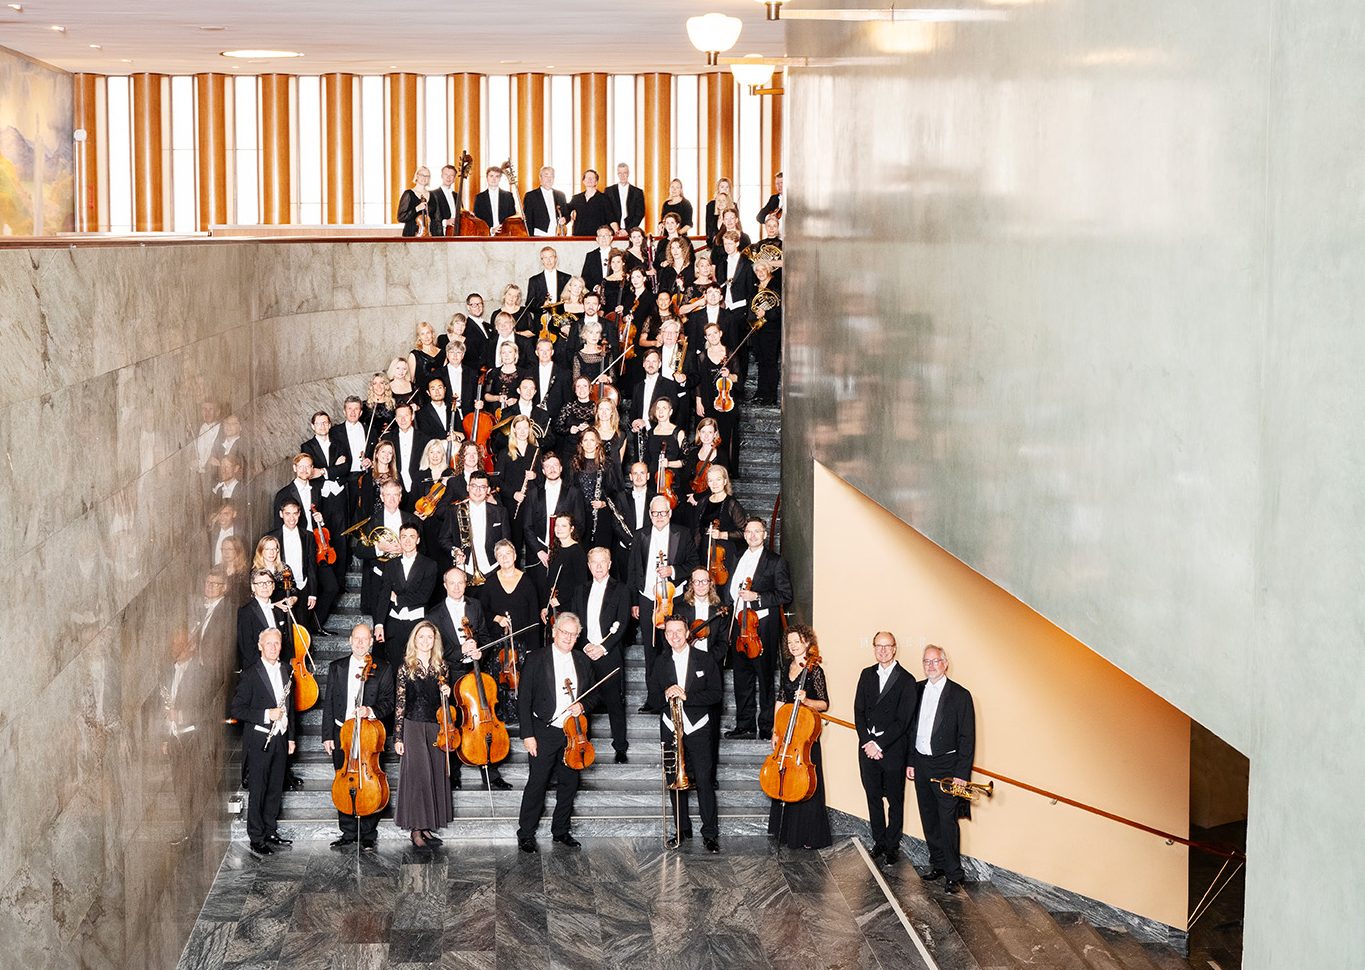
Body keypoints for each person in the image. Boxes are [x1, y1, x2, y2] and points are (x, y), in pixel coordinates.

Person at [424, 567, 514, 791]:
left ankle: (490, 772)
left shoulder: (475, 606)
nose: (456, 587)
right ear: (445, 585)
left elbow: (483, 634)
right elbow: (435, 648)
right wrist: (460, 650)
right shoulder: (434, 614)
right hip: (451, 673)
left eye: (461, 583)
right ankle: (453, 774)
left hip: (475, 673)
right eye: (452, 583)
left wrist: (480, 650)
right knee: (453, 723)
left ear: (466, 584)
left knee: (483, 718)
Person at [515, 612, 596, 852]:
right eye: (564, 632)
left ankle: (561, 830)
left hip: (573, 733)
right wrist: (527, 735)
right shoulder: (536, 658)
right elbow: (524, 699)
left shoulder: (582, 660)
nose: (568, 638)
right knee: (537, 783)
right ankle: (526, 833)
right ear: (554, 632)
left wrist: (583, 705)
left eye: (573, 634)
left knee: (569, 784)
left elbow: (594, 695)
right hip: (544, 730)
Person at [651, 615, 723, 852]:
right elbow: (651, 699)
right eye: (669, 632)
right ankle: (682, 830)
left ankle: (710, 833)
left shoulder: (705, 659)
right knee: (675, 781)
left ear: (687, 633)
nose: (674, 636)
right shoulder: (659, 662)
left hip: (698, 728)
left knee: (703, 780)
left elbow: (716, 694)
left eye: (678, 631)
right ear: (665, 635)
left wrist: (687, 696)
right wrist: (664, 694)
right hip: (671, 727)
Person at [908, 644, 977, 893]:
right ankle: (937, 864)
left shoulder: (960, 695)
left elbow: (967, 739)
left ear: (945, 663)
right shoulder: (916, 689)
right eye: (926, 661)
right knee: (929, 816)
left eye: (935, 661)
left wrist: (961, 775)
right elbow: (911, 729)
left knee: (947, 820)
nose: (930, 666)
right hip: (921, 763)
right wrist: (911, 762)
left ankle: (953, 872)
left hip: (948, 766)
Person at [322, 623, 395, 850]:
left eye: (365, 639)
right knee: (343, 781)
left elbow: (389, 702)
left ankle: (368, 834)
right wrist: (327, 736)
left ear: (372, 642)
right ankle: (347, 832)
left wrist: (369, 711)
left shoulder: (382, 668)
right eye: (356, 638)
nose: (360, 643)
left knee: (369, 782)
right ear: (350, 640)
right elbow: (330, 703)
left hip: (368, 736)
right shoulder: (337, 667)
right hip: (341, 733)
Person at [628, 495, 700, 710]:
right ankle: (654, 699)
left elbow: (693, 564)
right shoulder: (640, 535)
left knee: (672, 649)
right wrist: (635, 601)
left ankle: (676, 695)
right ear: (650, 514)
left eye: (663, 512)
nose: (659, 516)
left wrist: (673, 570)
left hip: (673, 599)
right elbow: (633, 570)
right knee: (651, 652)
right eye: (655, 513)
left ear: (670, 513)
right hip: (648, 598)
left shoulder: (683, 533)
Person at [725, 518, 792, 740]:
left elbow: (785, 594)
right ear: (744, 535)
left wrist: (758, 597)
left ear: (764, 535)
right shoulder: (737, 557)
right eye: (748, 531)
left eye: (757, 531)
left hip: (761, 628)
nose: (752, 535)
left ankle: (766, 727)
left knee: (764, 678)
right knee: (741, 677)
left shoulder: (775, 561)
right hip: (738, 625)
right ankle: (744, 725)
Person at [231, 627, 296, 855]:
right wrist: (266, 714)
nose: (273, 648)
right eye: (268, 644)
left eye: (277, 643)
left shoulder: (286, 670)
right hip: (259, 740)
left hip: (280, 738)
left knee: (275, 788)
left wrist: (291, 738)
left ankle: (270, 830)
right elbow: (237, 709)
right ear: (260, 646)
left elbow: (291, 708)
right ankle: (256, 837)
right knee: (258, 789)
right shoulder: (250, 674)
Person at [767, 624, 832, 849]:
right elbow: (781, 698)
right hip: (787, 733)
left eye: (797, 641)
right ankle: (784, 831)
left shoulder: (815, 670)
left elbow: (824, 704)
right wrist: (776, 731)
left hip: (805, 736)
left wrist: (806, 700)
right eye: (790, 642)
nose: (793, 646)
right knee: (783, 776)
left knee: (806, 782)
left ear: (807, 642)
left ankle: (808, 835)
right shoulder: (787, 666)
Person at [854, 631, 917, 865]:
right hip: (868, 750)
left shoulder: (906, 680)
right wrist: (867, 742)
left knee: (895, 801)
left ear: (894, 648)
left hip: (892, 751)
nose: (882, 650)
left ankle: (892, 845)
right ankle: (879, 841)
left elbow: (903, 721)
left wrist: (878, 744)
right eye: (878, 646)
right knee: (873, 798)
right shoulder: (866, 674)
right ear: (874, 648)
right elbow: (858, 712)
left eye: (887, 646)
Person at [393, 621, 455, 848]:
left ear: (435, 640)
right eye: (422, 637)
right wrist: (398, 737)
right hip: (413, 725)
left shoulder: (442, 667)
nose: (426, 641)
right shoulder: (405, 668)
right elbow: (400, 704)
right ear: (415, 640)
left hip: (436, 727)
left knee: (435, 775)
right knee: (419, 776)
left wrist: (447, 693)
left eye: (430, 637)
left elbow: (444, 704)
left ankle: (427, 827)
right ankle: (416, 830)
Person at [569, 546, 631, 762]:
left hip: (609, 653)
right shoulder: (580, 590)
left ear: (609, 564)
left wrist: (603, 648)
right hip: (584, 654)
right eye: (593, 562)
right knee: (583, 702)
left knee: (614, 701)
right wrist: (585, 645)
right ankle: (581, 745)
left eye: (602, 562)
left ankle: (620, 747)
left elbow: (623, 624)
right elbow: (575, 622)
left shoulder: (622, 590)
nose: (598, 566)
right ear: (588, 566)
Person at [372, 524, 439, 669]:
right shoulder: (390, 565)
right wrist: (379, 624)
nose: (407, 541)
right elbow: (384, 596)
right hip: (394, 623)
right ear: (399, 540)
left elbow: (424, 596)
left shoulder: (430, 565)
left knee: (415, 668)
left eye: (412, 537)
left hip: (417, 624)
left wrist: (397, 599)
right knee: (394, 667)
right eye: (404, 537)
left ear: (418, 540)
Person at [236, 569, 290, 672]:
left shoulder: (278, 611)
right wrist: (267, 668)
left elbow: (285, 642)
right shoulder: (246, 612)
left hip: (279, 669)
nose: (265, 586)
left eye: (268, 582)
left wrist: (282, 666)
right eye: (260, 583)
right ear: (253, 587)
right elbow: (246, 647)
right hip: (258, 670)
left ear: (273, 586)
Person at [523, 165, 568, 237]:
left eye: (552, 176)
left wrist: (565, 219)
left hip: (558, 234)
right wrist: (530, 238)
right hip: (539, 234)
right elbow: (528, 220)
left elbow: (566, 214)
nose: (549, 179)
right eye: (546, 176)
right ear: (540, 178)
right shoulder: (531, 196)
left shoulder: (560, 195)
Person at [566, 169, 611, 237]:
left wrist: (616, 231)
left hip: (598, 236)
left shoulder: (604, 198)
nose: (589, 179)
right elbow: (566, 211)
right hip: (578, 235)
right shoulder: (576, 198)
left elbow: (611, 217)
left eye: (592, 178)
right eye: (587, 178)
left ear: (596, 182)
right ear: (583, 181)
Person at [473, 165, 516, 233]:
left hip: (505, 233)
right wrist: (491, 230)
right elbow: (478, 220)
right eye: (491, 176)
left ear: (500, 179)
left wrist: (504, 228)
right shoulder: (479, 198)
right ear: (487, 178)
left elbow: (511, 217)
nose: (494, 179)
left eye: (497, 176)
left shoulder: (508, 196)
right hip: (486, 234)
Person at [608, 161, 646, 234]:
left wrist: (628, 230)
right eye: (620, 173)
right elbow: (608, 212)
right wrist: (615, 229)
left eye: (625, 173)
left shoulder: (638, 192)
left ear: (628, 173)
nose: (622, 176)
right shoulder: (609, 191)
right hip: (613, 231)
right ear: (617, 174)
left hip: (632, 231)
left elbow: (640, 213)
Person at [396, 166, 432, 237]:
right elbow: (401, 217)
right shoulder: (408, 194)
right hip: (411, 234)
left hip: (429, 235)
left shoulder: (432, 195)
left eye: (427, 176)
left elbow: (435, 218)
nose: (424, 178)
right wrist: (416, 209)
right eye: (422, 175)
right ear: (417, 176)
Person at [430, 163, 458, 234]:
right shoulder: (433, 194)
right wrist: (445, 222)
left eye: (451, 175)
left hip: (456, 232)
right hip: (440, 233)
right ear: (442, 176)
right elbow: (430, 217)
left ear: (454, 179)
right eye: (446, 175)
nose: (448, 178)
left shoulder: (456, 195)